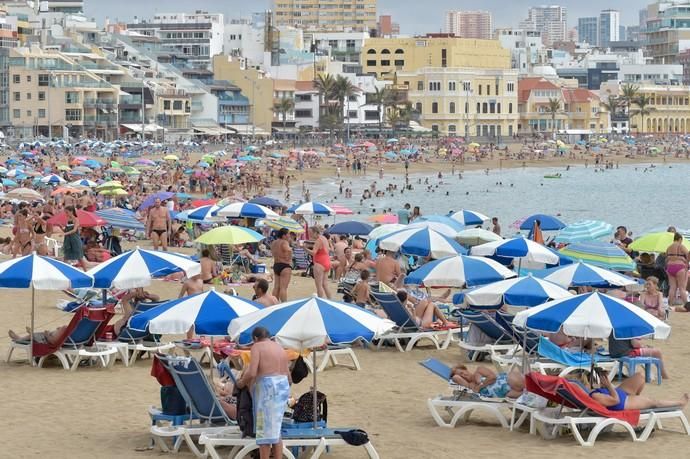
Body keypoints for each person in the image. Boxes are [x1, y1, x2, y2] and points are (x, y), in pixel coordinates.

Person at [236, 327, 291, 459]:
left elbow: (253, 371)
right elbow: (289, 378)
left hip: (268, 388)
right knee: (275, 430)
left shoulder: (257, 347)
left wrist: (242, 382)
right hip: (283, 386)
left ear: (255, 338)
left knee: (264, 431)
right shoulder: (279, 347)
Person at [588, 368, 687, 411]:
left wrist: (604, 386)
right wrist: (609, 386)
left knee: (639, 376)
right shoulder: (594, 396)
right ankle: (680, 403)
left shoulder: (593, 393)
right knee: (654, 402)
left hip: (620, 392)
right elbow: (615, 400)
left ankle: (638, 399)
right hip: (623, 402)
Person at [450, 365, 525, 399]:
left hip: (507, 380)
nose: (463, 375)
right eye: (461, 375)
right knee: (511, 395)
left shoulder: (479, 370)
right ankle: (531, 392)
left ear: (465, 369)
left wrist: (479, 387)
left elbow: (493, 378)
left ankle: (531, 388)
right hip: (507, 392)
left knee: (514, 381)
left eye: (462, 372)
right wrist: (456, 374)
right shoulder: (470, 386)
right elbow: (455, 378)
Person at [306, 227, 332, 299]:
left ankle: (320, 301)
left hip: (319, 263)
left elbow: (313, 253)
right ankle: (330, 300)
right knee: (325, 284)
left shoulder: (318, 240)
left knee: (319, 285)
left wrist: (304, 248)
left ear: (315, 232)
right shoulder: (323, 238)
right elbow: (324, 249)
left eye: (310, 233)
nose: (309, 234)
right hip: (327, 262)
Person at [665, 232, 688, 305]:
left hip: (670, 267)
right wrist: (684, 260)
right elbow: (688, 255)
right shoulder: (681, 246)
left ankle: (670, 305)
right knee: (682, 288)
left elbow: (666, 258)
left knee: (672, 288)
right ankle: (687, 305)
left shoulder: (668, 247)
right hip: (680, 267)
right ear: (680, 239)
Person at [270, 228, 292, 302]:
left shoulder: (274, 242)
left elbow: (273, 253)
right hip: (284, 265)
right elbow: (288, 250)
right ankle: (284, 304)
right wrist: (289, 259)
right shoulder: (284, 242)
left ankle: (273, 304)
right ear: (284, 235)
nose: (289, 235)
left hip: (276, 265)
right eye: (288, 234)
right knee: (283, 288)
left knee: (276, 287)